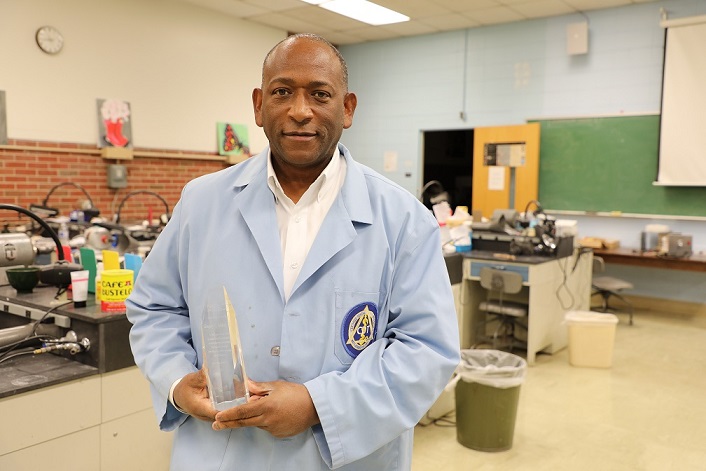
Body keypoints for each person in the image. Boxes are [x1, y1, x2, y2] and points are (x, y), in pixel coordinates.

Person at [126, 33, 460, 470]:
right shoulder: (201, 202)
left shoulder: (403, 219)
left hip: (348, 457)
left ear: (348, 108)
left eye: (320, 94)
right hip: (223, 453)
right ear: (258, 104)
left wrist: (316, 405)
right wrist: (176, 381)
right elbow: (154, 309)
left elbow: (426, 349)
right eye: (282, 92)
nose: (300, 111)